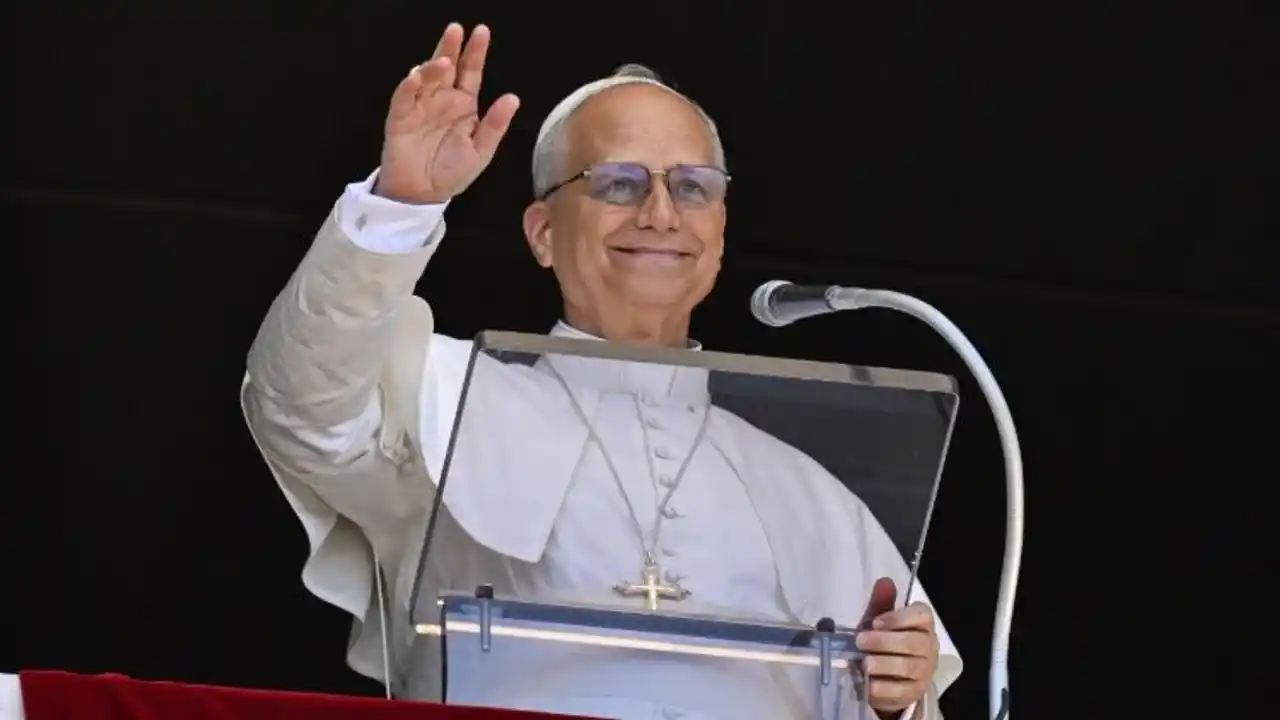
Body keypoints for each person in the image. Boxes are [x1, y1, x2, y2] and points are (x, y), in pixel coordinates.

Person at [242, 22, 962, 720]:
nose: (659, 213)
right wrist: (403, 203)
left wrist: (897, 693)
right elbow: (300, 406)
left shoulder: (807, 487)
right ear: (543, 234)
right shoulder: (444, 398)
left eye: (692, 187)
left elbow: (883, 690)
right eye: (617, 184)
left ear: (719, 230)